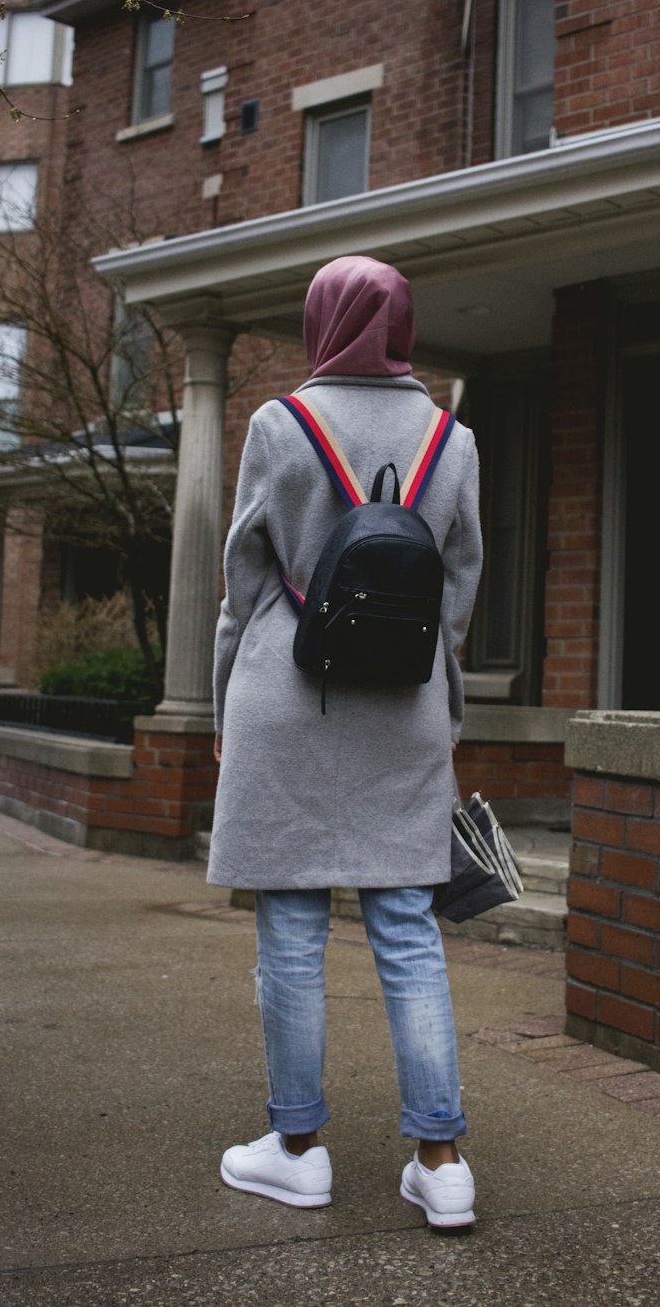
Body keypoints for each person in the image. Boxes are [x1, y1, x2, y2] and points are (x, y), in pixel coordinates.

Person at [207, 255, 483, 1230]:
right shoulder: (453, 439)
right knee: (407, 931)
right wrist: (438, 707)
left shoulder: (278, 425)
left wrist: (223, 712)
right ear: (401, 325)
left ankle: (295, 1152)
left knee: (291, 932)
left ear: (321, 322)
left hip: (286, 701)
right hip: (403, 709)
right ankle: (441, 1162)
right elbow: (458, 593)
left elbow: (244, 581)